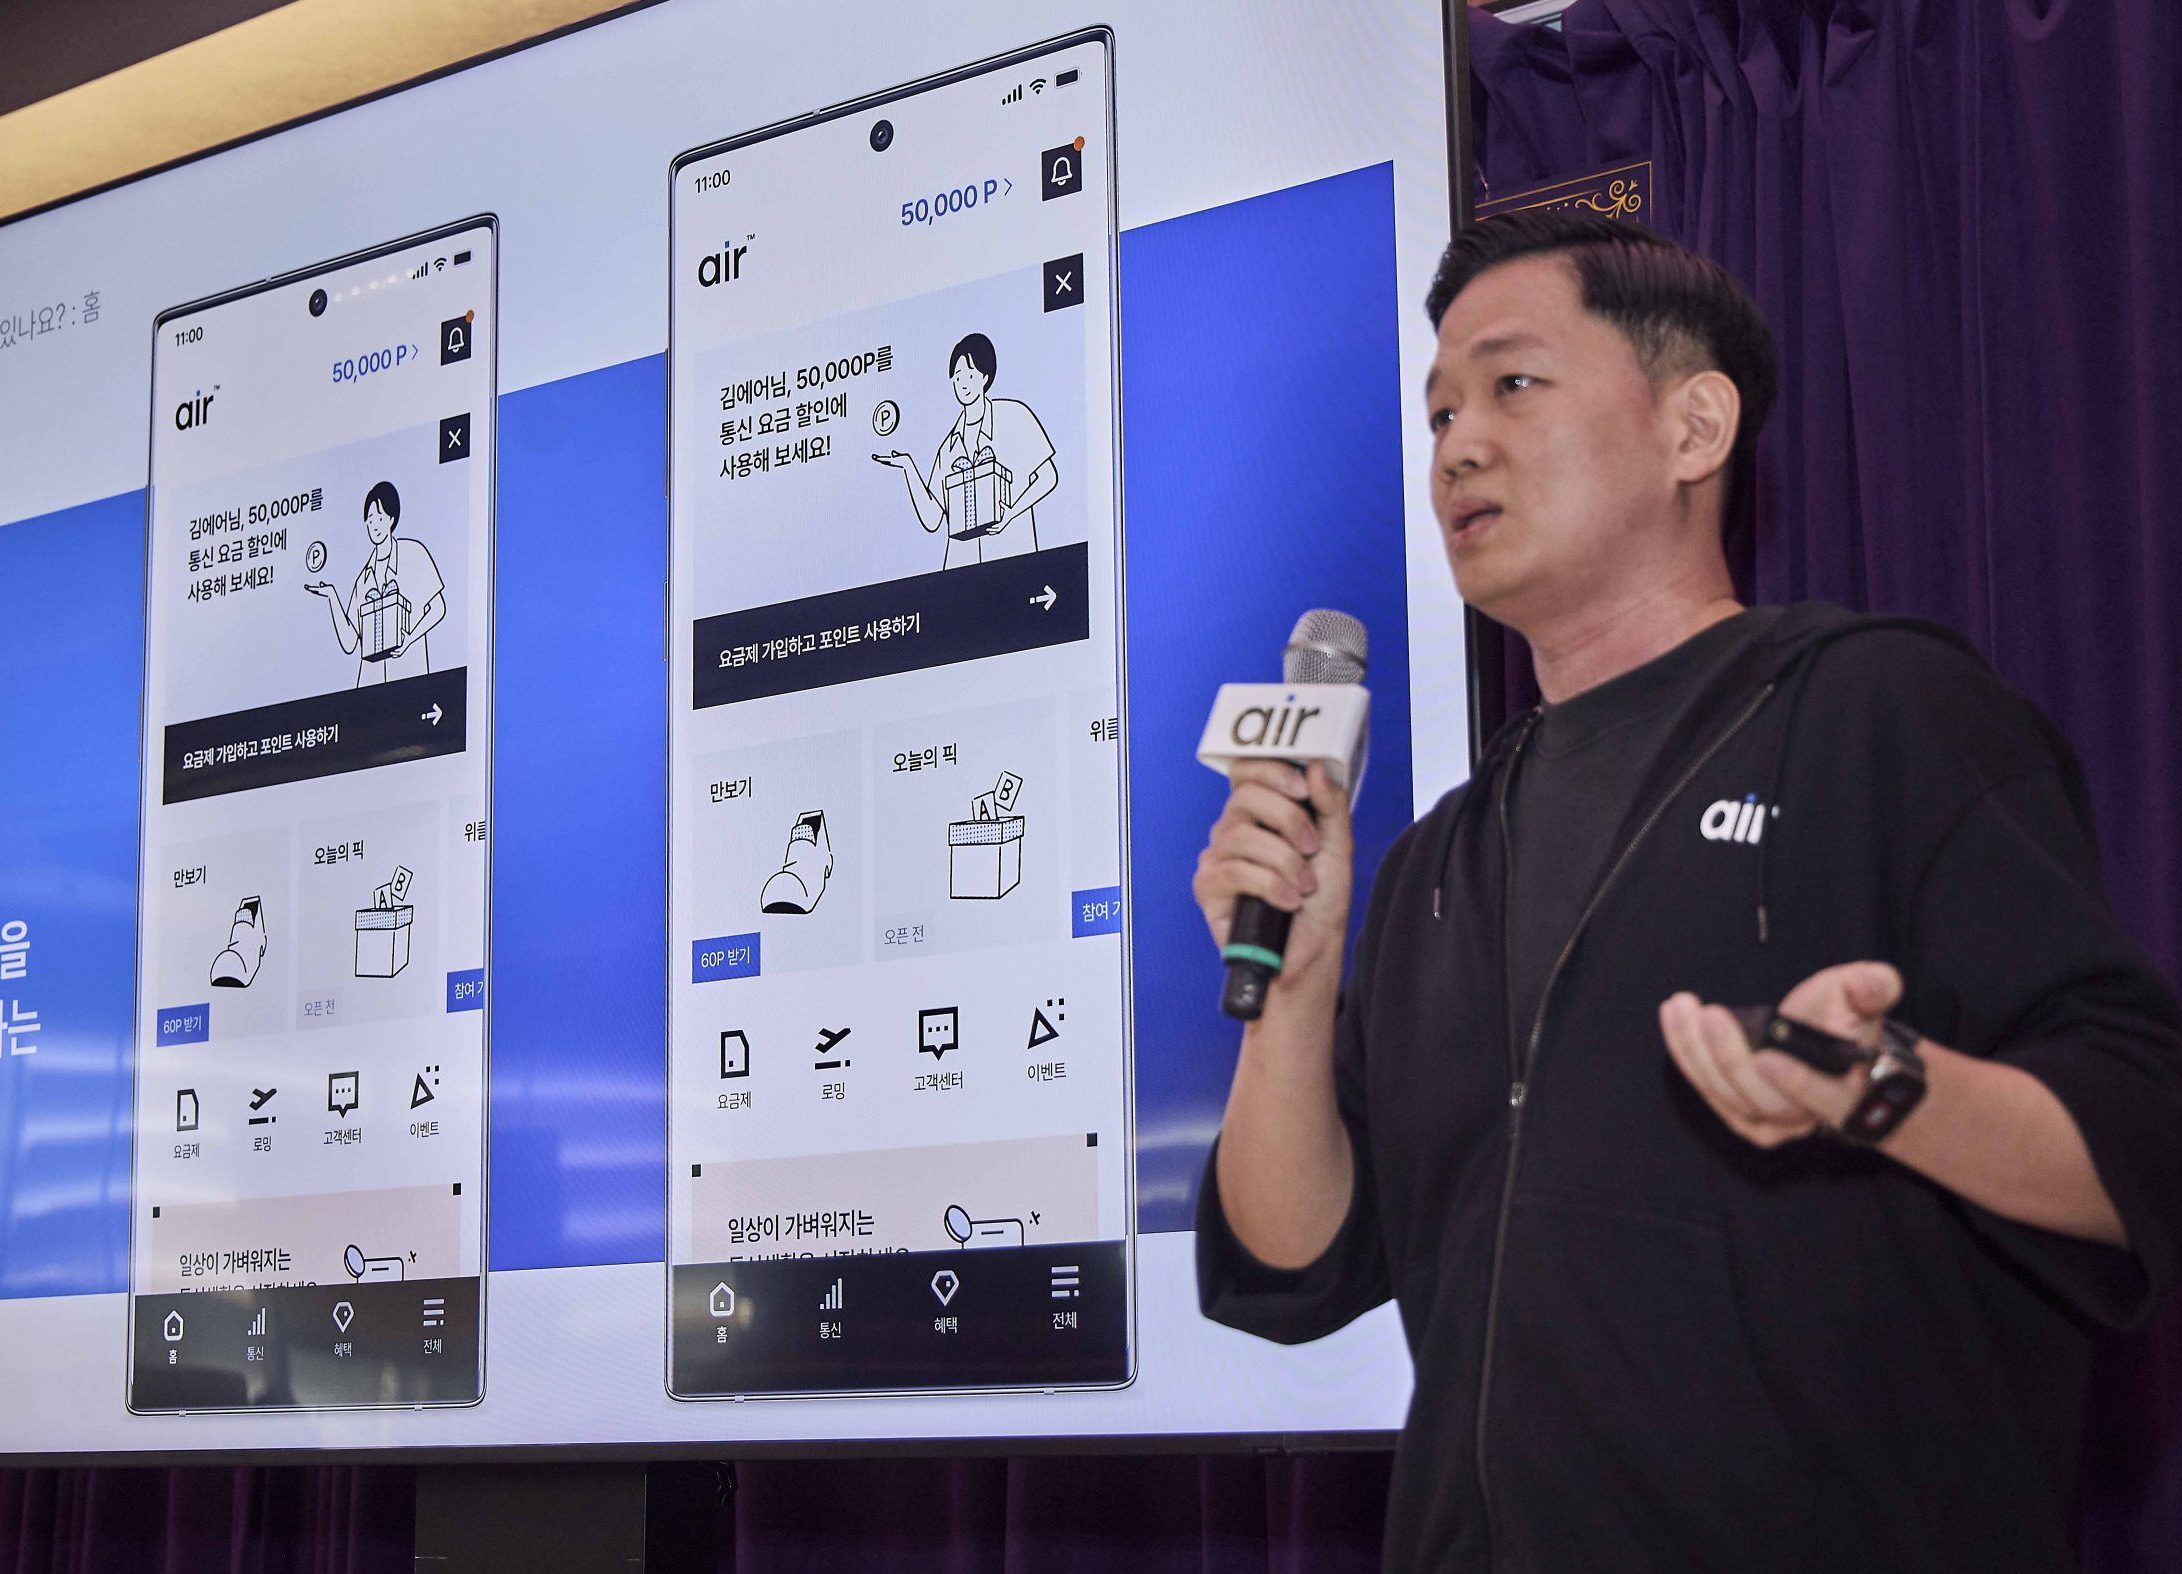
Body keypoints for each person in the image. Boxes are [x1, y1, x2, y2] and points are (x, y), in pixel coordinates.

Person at [1192, 209, 2182, 1571]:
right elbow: (1292, 1263)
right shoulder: (1435, 861)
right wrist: (1296, 989)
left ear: (1693, 428)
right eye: (1439, 414)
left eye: (1512, 384)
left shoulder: (1878, 712)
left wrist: (1883, 1086)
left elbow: (2141, 1140)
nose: (1457, 445)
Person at [870, 330, 1057, 568]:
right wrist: (908, 467)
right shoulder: (948, 448)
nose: (962, 384)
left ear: (985, 377)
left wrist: (1011, 514)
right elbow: (932, 519)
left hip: (1013, 560)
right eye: (957, 377)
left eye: (969, 375)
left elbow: (1048, 477)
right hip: (961, 573)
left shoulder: (1014, 416)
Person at [303, 479, 446, 686]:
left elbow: (438, 608)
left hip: (410, 680)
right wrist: (332, 596)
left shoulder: (414, 553)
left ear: (391, 518)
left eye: (379, 517)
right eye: (370, 520)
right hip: (371, 691)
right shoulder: (363, 580)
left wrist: (409, 640)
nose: (374, 525)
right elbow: (349, 642)